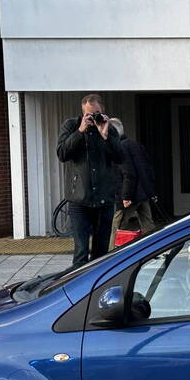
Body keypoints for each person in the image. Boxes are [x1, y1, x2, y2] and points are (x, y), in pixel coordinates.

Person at [57, 94, 123, 267]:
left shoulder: (109, 130)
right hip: (79, 199)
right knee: (81, 251)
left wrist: (106, 135)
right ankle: (80, 289)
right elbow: (62, 154)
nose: (93, 118)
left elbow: (120, 157)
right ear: (83, 112)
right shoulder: (71, 126)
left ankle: (98, 286)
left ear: (103, 111)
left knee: (101, 252)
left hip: (104, 199)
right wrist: (80, 131)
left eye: (96, 114)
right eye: (89, 114)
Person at [108, 117, 157, 247]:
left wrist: (126, 196)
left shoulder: (120, 148)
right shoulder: (135, 144)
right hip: (143, 193)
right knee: (149, 226)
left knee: (117, 227)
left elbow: (128, 173)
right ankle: (155, 250)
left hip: (130, 195)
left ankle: (110, 257)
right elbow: (147, 167)